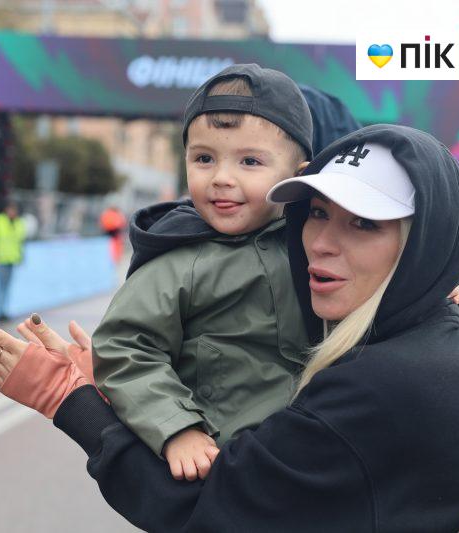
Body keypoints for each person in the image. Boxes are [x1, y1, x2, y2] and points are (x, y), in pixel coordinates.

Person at [0, 125, 459, 531]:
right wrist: (127, 395)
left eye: (365, 224)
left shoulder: (387, 381)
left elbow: (204, 510)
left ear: (426, 242)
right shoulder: (415, 343)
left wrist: (68, 399)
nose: (321, 242)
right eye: (316, 212)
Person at [90, 64, 314, 480]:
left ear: (298, 177)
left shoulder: (319, 244)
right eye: (204, 159)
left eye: (249, 161)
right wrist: (177, 427)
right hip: (222, 463)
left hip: (313, 456)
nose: (221, 178)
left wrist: (418, 291)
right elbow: (124, 345)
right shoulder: (179, 259)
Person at [0, 202, 26, 322]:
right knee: (1, 286)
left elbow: (20, 242)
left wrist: (21, 257)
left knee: (7, 286)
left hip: (12, 259)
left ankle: (4, 310)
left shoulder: (19, 223)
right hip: (0, 259)